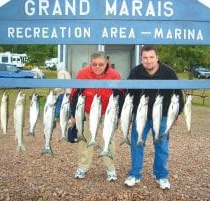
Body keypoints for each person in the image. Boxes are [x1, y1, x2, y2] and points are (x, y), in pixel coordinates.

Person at [124, 45, 184, 189]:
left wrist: (177, 113)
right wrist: (126, 115)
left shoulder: (168, 72)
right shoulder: (135, 72)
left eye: (151, 57)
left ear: (157, 58)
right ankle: (135, 174)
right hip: (140, 117)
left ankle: (161, 176)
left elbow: (178, 95)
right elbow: (128, 95)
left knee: (162, 146)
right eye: (145, 57)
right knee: (137, 145)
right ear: (141, 58)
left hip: (162, 117)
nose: (148, 61)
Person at [70, 52, 124, 182]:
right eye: (94, 64)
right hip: (88, 111)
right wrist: (73, 114)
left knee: (108, 139)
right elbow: (74, 95)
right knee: (84, 139)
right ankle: (83, 166)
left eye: (101, 64)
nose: (97, 67)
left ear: (106, 63)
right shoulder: (83, 74)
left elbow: (121, 96)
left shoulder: (114, 75)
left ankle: (110, 168)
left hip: (108, 112)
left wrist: (119, 115)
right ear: (90, 63)